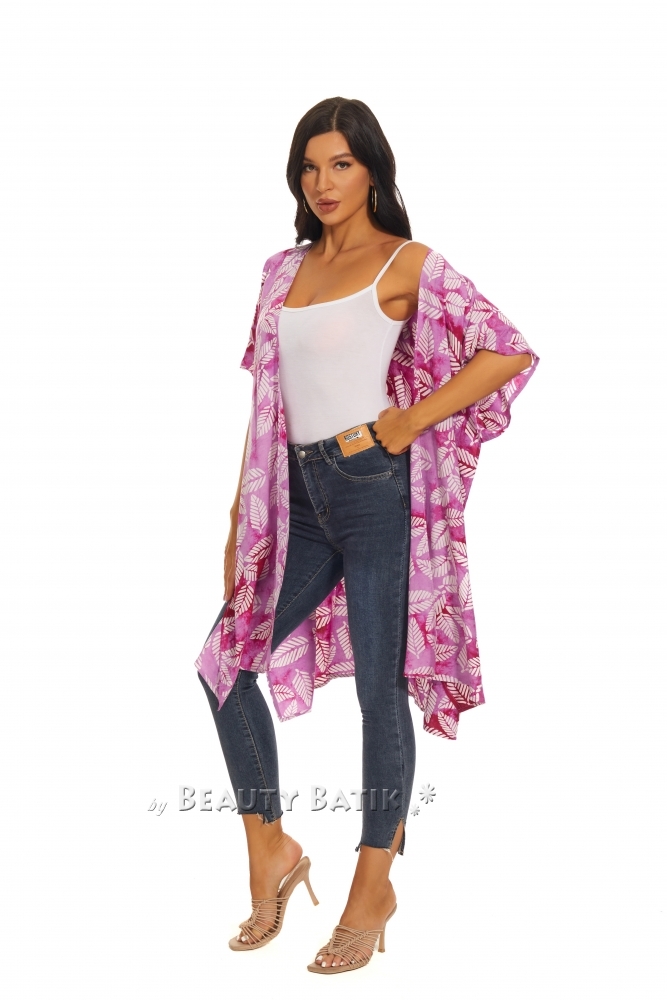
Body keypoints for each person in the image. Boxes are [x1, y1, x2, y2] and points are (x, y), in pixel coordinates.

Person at [195, 97, 538, 974]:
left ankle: (371, 885)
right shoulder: (281, 270)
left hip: (373, 487)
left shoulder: (406, 262)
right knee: (222, 662)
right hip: (294, 497)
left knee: (379, 694)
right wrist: (238, 519)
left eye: (340, 164)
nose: (323, 183)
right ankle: (270, 849)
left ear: (372, 169)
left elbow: (505, 349)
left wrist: (409, 420)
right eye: (309, 168)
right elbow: (265, 405)